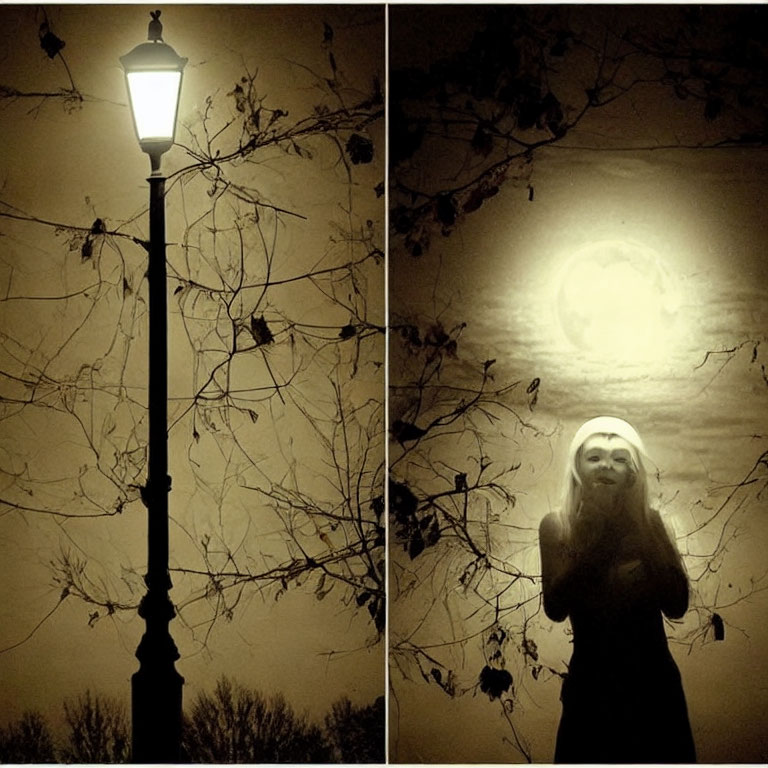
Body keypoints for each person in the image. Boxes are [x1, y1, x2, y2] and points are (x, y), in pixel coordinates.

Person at [539, 416, 696, 763]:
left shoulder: (651, 522)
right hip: (591, 688)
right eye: (594, 456)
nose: (606, 465)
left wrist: (640, 527)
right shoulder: (557, 526)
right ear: (578, 465)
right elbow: (555, 606)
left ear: (633, 472)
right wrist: (600, 538)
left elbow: (677, 605)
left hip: (655, 688)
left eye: (620, 458)